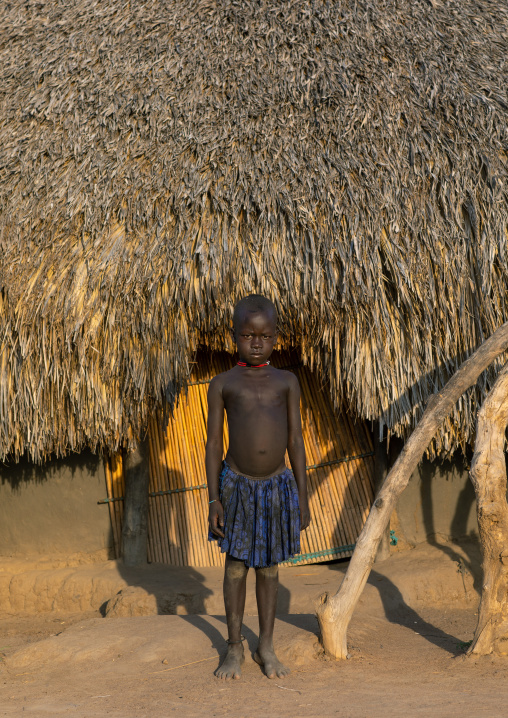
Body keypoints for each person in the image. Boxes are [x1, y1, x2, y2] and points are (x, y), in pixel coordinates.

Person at [206, 294, 310, 680]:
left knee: (269, 567)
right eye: (248, 334)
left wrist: (301, 495)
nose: (256, 342)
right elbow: (214, 443)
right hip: (235, 485)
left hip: (277, 485)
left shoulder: (287, 382)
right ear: (234, 336)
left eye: (264, 336)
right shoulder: (223, 384)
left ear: (276, 338)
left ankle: (265, 646)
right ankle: (234, 647)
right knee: (235, 565)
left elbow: (296, 441)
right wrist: (214, 497)